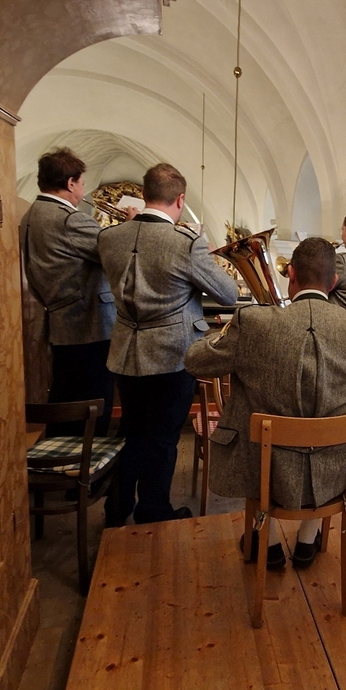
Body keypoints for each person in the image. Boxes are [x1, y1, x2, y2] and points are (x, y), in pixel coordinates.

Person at [185, 237, 346, 570]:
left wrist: (229, 334)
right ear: (334, 281)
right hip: (335, 467)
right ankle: (307, 540)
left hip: (264, 466)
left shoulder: (254, 321)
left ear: (290, 274)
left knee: (249, 408)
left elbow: (195, 361)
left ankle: (269, 542)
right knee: (334, 413)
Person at [98, 163, 238, 525]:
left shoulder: (109, 237)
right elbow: (227, 293)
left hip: (125, 352)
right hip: (171, 354)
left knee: (131, 432)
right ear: (180, 200)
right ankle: (153, 511)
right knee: (162, 439)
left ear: (144, 195)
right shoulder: (185, 243)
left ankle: (116, 509)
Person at [20, 147, 121, 437]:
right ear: (70, 183)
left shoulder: (30, 216)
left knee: (65, 400)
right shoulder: (69, 219)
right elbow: (117, 254)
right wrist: (131, 226)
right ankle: (88, 461)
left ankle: (64, 458)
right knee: (93, 405)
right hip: (88, 325)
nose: (83, 190)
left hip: (60, 323)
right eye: (82, 183)